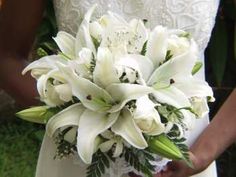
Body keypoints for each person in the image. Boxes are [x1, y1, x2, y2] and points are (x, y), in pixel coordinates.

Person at [0, 0, 221, 177]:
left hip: (184, 155)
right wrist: (74, 115)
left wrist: (202, 153)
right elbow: (6, 58)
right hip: (79, 155)